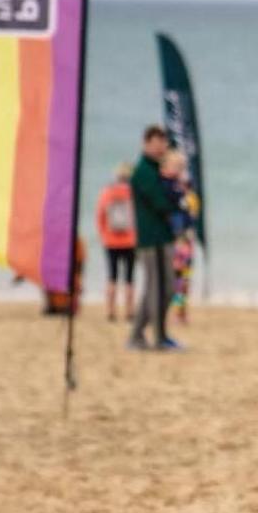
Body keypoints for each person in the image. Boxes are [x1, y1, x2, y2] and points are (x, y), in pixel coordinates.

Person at [126, 126, 180, 351]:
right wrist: (176, 203)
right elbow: (160, 203)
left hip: (163, 236)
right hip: (150, 239)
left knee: (166, 288)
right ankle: (149, 336)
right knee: (154, 289)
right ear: (146, 143)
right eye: (157, 142)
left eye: (163, 143)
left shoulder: (159, 169)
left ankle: (152, 334)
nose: (161, 147)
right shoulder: (143, 172)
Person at [161, 150, 200, 326]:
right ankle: (174, 311)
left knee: (182, 280)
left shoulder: (187, 194)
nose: (179, 170)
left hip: (184, 242)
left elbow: (193, 214)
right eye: (176, 165)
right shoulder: (168, 188)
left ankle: (180, 311)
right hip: (176, 242)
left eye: (181, 166)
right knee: (175, 280)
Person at [95, 162, 137, 322]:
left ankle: (110, 311)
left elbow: (100, 216)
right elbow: (138, 218)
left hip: (111, 241)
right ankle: (129, 311)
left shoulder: (107, 192)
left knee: (111, 277)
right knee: (129, 278)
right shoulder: (133, 193)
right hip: (130, 241)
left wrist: (103, 235)